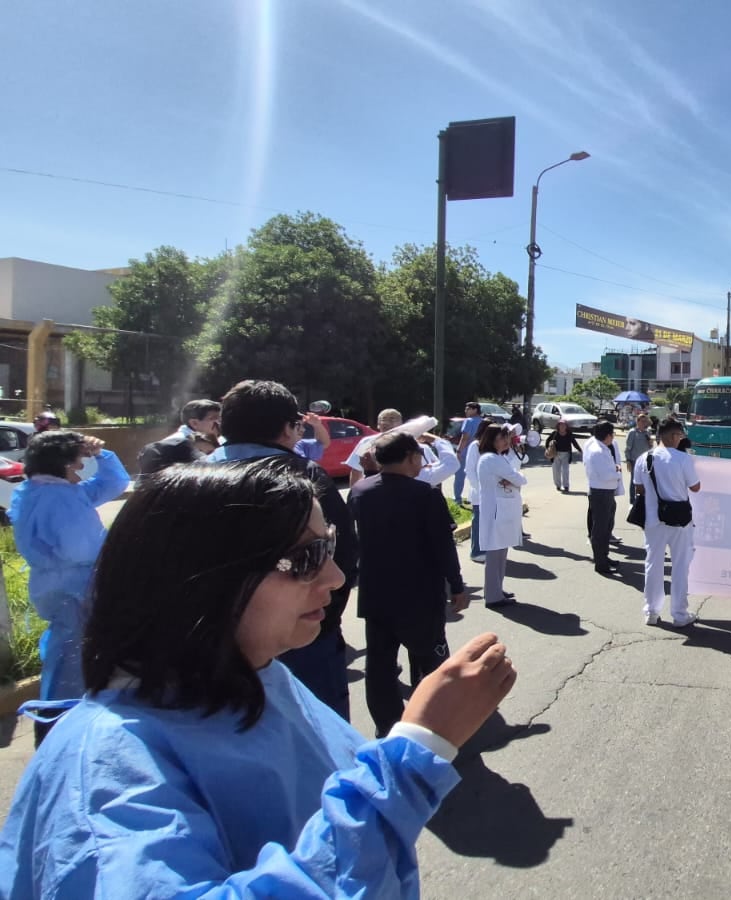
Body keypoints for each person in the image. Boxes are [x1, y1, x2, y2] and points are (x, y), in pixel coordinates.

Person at [0, 459, 516, 897]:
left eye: (331, 546)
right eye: (307, 557)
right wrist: (415, 750)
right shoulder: (108, 769)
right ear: (202, 577)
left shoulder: (260, 674)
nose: (336, 578)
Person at [207, 380, 361, 720]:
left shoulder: (186, 476)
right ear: (289, 428)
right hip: (297, 641)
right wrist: (322, 619)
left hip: (207, 642)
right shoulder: (303, 477)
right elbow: (341, 556)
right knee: (317, 738)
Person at [9, 431, 130, 744]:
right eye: (78, 456)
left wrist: (103, 456)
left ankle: (58, 722)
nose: (82, 462)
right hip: (74, 585)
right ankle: (62, 725)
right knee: (74, 660)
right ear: (64, 461)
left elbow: (113, 483)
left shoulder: (43, 490)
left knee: (67, 653)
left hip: (59, 584)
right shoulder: (58, 497)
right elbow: (78, 547)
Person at [349, 432, 469, 737]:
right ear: (409, 457)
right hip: (419, 595)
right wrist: (456, 585)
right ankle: (433, 724)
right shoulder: (425, 494)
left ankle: (386, 726)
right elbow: (443, 546)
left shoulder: (360, 491)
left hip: (376, 594)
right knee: (431, 661)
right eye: (419, 457)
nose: (421, 463)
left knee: (380, 667)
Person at [636, 419, 701, 628]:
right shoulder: (683, 459)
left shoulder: (644, 458)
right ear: (673, 436)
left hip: (653, 520)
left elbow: (639, 488)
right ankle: (680, 614)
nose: (680, 439)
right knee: (680, 566)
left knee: (653, 564)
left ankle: (651, 611)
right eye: (680, 435)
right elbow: (696, 487)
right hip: (680, 521)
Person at [345, 409, 458, 491]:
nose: (387, 424)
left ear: (401, 424)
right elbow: (356, 471)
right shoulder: (367, 443)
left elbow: (437, 468)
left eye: (392, 421)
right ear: (378, 425)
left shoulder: (419, 446)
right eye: (383, 421)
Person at [476, 424, 526, 608]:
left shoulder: (497, 458)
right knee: (495, 553)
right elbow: (520, 479)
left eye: (506, 437)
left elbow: (515, 477)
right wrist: (514, 478)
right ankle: (493, 595)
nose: (506, 441)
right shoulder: (491, 459)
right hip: (497, 510)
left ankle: (497, 589)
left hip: (501, 509)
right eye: (501, 438)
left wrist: (513, 478)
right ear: (491, 440)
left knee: (500, 552)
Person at [137, 398, 221, 476]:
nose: (219, 422)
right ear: (194, 423)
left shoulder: (219, 439)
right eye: (213, 418)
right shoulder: (174, 446)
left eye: (220, 418)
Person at [584, 422, 624, 574]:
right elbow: (606, 475)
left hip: (606, 492)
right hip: (600, 492)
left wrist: (614, 470)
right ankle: (600, 563)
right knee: (600, 530)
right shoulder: (597, 451)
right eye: (612, 434)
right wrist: (617, 471)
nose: (613, 437)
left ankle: (604, 556)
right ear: (607, 435)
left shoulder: (601, 447)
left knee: (607, 528)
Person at [462, 419, 488, 563]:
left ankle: (486, 549)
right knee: (478, 523)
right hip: (479, 493)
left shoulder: (491, 447)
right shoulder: (475, 446)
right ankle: (476, 551)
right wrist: (480, 488)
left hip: (491, 493)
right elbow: (470, 470)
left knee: (487, 524)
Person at [454, 401, 484, 504]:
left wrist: (458, 451)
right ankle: (476, 497)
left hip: (466, 453)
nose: (465, 411)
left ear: (475, 410)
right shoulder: (483, 421)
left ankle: (457, 499)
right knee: (476, 476)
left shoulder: (468, 421)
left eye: (468, 409)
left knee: (459, 477)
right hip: (479, 452)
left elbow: (464, 438)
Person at [624, 413, 653, 497]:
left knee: (644, 481)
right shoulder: (632, 432)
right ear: (638, 422)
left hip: (645, 462)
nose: (644, 423)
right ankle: (632, 500)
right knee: (634, 481)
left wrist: (650, 443)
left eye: (645, 421)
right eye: (642, 421)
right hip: (634, 461)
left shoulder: (647, 433)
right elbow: (628, 448)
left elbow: (650, 448)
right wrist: (628, 461)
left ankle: (641, 499)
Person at [548, 419, 581, 492]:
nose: (562, 427)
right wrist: (549, 449)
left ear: (566, 427)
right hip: (556, 454)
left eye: (564, 425)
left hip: (566, 454)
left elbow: (574, 443)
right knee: (556, 470)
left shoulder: (569, 434)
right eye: (560, 425)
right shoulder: (555, 433)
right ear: (558, 426)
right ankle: (558, 485)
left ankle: (566, 486)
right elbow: (548, 441)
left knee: (565, 470)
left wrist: (580, 450)